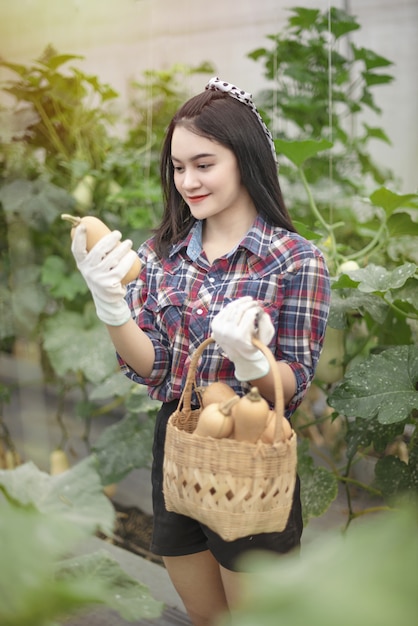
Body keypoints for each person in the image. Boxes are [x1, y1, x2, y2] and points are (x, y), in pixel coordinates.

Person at [71, 76, 331, 626]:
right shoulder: (162, 254)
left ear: (245, 159)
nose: (188, 180)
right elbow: (156, 367)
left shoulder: (295, 260)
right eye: (177, 166)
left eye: (204, 164)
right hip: (181, 443)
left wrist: (254, 362)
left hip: (253, 448)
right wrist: (112, 309)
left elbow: (295, 383)